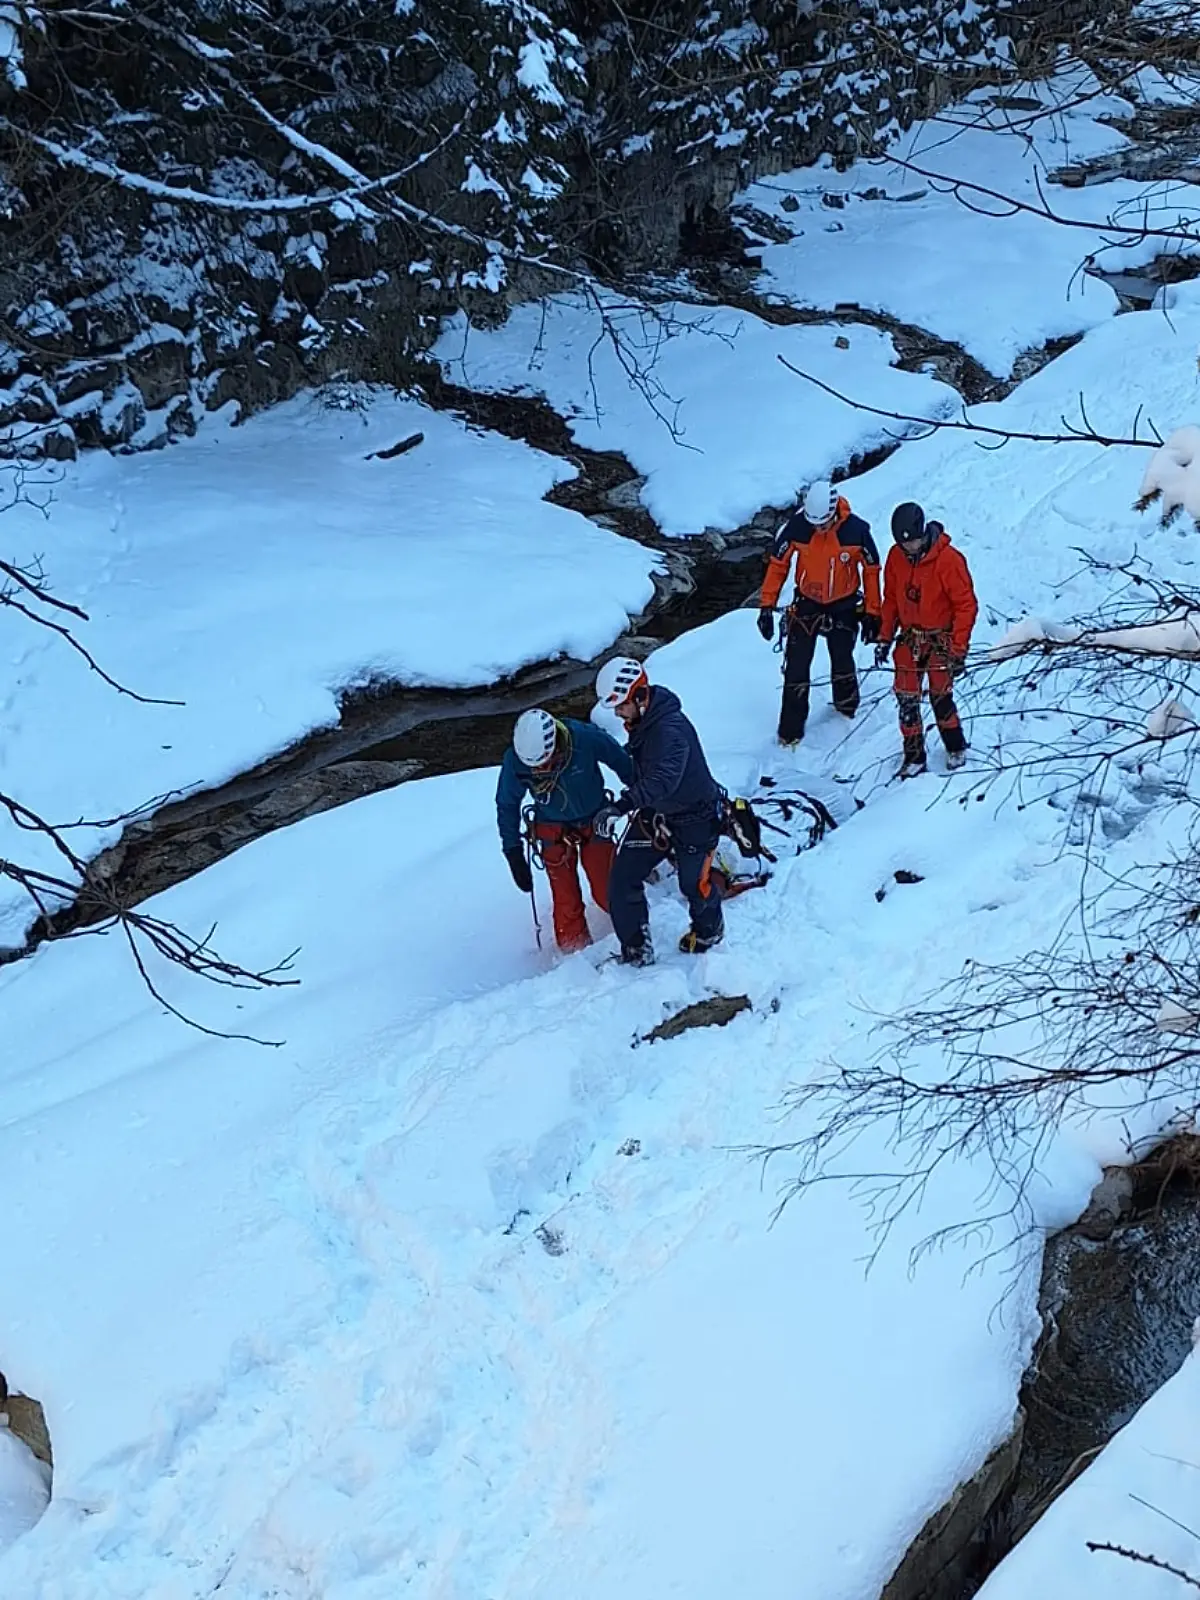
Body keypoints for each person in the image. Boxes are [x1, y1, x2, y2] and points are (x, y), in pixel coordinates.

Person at [591, 657, 725, 966]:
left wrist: (623, 805)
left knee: (694, 884)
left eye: (621, 705)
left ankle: (709, 931)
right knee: (622, 879)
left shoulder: (670, 729)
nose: (618, 713)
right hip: (657, 815)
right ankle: (637, 950)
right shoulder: (644, 722)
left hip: (696, 817)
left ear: (640, 696)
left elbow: (664, 779)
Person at [496, 707, 633, 952]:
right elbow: (507, 803)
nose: (538, 771)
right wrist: (512, 851)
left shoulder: (585, 739)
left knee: (608, 891)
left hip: (594, 819)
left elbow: (622, 762)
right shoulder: (516, 760)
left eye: (543, 765)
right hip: (551, 829)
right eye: (534, 768)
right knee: (565, 898)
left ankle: (632, 925)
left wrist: (645, 797)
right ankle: (575, 954)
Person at [757, 478, 882, 745]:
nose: (820, 528)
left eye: (824, 523)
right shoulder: (797, 528)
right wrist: (766, 606)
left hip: (844, 604)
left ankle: (846, 711)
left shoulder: (856, 531)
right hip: (807, 603)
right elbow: (778, 565)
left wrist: (873, 612)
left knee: (843, 659)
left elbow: (871, 572)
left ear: (835, 510)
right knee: (796, 668)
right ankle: (789, 733)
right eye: (815, 524)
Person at [874, 501, 979, 778]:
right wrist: (884, 637)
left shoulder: (949, 561)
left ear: (923, 533)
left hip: (940, 640)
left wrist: (958, 649)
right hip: (910, 639)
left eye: (913, 542)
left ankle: (955, 745)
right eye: (903, 544)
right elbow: (892, 601)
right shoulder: (895, 558)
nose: (909, 548)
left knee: (939, 696)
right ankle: (914, 755)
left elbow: (966, 606)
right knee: (907, 699)